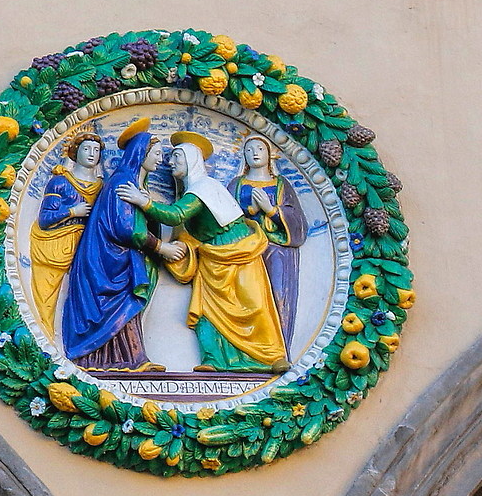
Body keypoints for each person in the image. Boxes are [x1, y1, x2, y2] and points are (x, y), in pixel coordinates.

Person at [116, 133, 290, 373]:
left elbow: (177, 215)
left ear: (191, 160)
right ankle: (215, 359)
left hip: (238, 250)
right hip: (211, 255)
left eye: (177, 157)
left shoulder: (205, 187)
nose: (170, 162)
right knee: (207, 310)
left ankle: (272, 356)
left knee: (254, 304)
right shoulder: (191, 192)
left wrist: (143, 202)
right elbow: (184, 226)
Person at [62, 119, 169, 371]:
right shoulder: (122, 183)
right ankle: (115, 361)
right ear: (141, 154)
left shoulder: (136, 186)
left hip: (119, 260)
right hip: (107, 260)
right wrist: (160, 247)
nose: (160, 159)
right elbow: (124, 228)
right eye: (156, 153)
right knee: (119, 306)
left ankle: (131, 359)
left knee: (126, 308)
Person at [233, 136, 307, 342]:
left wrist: (271, 210)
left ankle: (277, 345)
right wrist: (250, 210)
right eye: (249, 150)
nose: (255, 153)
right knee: (247, 297)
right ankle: (250, 346)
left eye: (260, 148)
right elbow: (226, 215)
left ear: (269, 154)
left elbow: (298, 222)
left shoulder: (281, 185)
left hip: (276, 249)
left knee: (277, 294)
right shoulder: (236, 184)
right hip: (244, 249)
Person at [29, 135, 104, 339]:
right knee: (46, 298)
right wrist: (72, 211)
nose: (92, 154)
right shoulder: (60, 182)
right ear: (75, 152)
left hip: (85, 247)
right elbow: (44, 219)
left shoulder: (101, 187)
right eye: (87, 149)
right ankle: (45, 339)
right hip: (54, 246)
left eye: (96, 150)